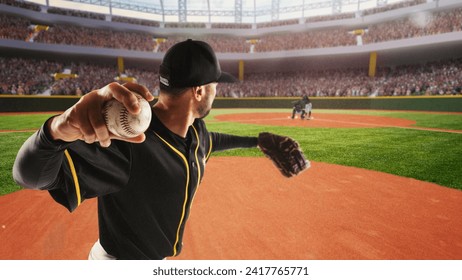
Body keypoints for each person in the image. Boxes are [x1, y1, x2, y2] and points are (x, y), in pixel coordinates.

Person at [12, 39, 307, 260]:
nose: (218, 92)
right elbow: (30, 177)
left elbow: (209, 143)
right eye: (216, 86)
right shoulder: (128, 145)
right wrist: (55, 131)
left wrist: (256, 140)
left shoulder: (194, 130)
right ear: (199, 91)